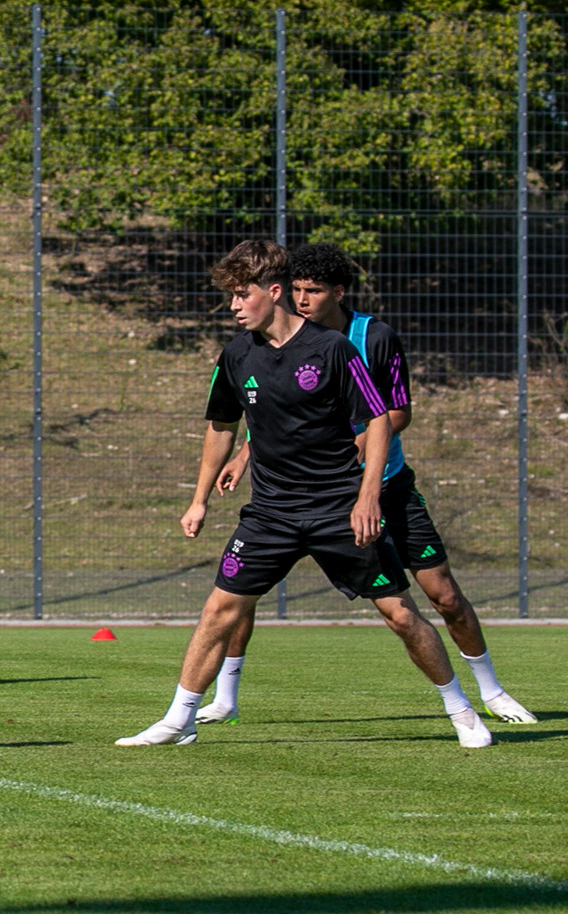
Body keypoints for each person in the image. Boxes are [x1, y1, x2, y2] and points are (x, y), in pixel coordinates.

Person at [118, 239, 495, 749]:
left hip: (337, 509)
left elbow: (379, 419)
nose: (232, 307)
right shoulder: (235, 355)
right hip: (270, 514)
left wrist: (366, 499)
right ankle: (178, 717)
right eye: (229, 297)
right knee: (219, 609)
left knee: (400, 613)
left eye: (240, 295)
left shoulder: (332, 349)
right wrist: (199, 497)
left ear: (272, 292)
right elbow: (221, 426)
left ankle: (463, 711)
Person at [199, 242, 535, 726]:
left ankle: (492, 690)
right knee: (239, 590)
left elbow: (394, 413)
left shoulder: (369, 338)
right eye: (295, 290)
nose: (303, 299)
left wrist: (350, 457)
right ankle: (224, 697)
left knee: (442, 596)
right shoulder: (273, 344)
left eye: (313, 290)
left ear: (339, 292)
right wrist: (247, 453)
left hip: (386, 488)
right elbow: (279, 412)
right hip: (322, 497)